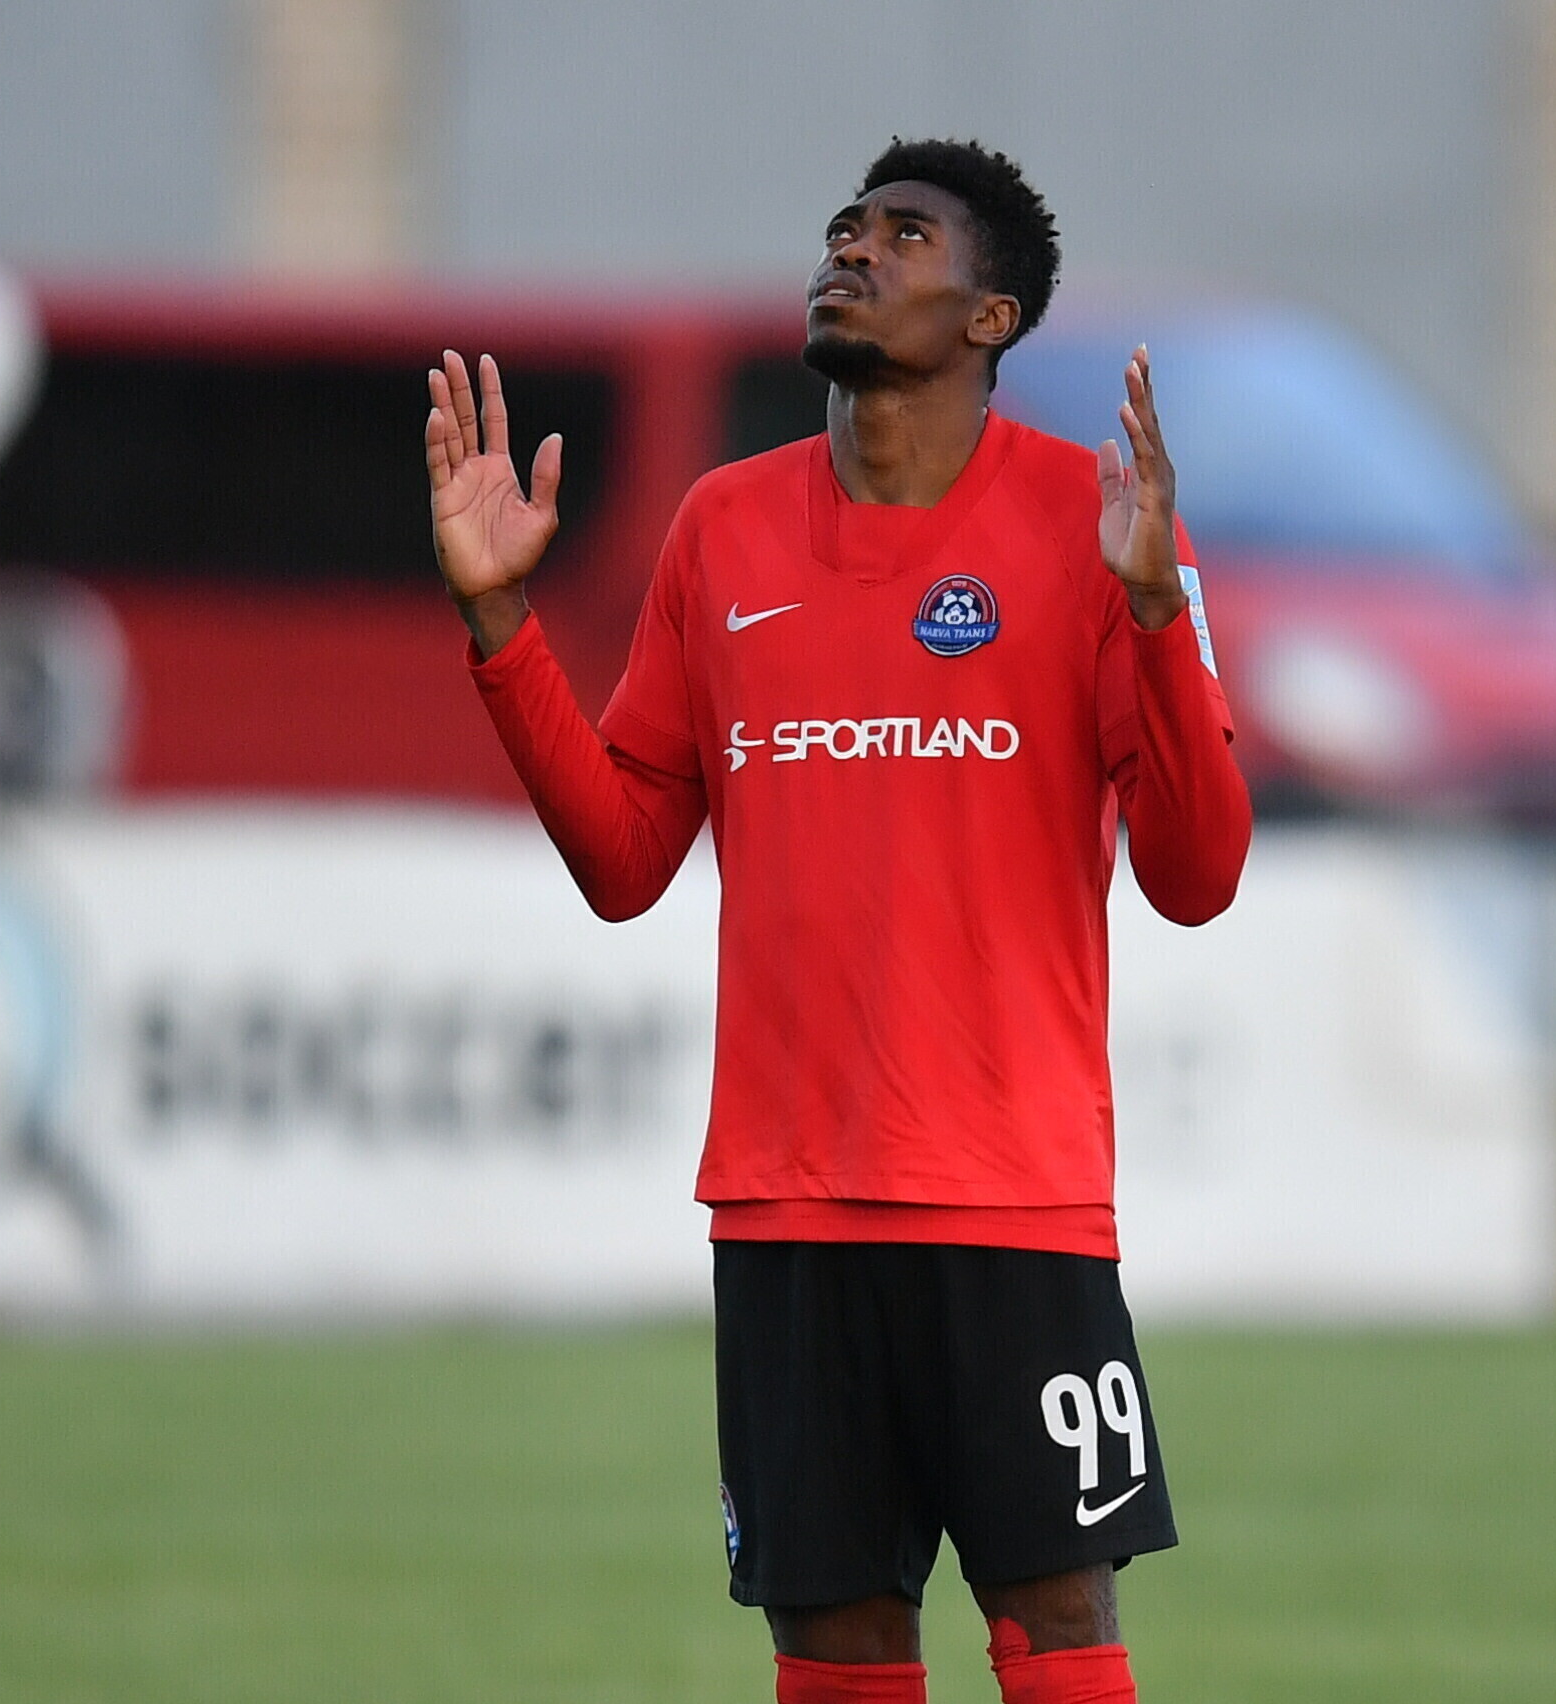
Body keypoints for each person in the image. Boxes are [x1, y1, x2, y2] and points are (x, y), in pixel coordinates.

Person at [425, 137, 1250, 1704]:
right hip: (788, 1217)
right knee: (836, 1651)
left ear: (992, 316)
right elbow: (623, 859)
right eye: (845, 228)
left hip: (1012, 1207)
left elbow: (1198, 877)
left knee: (1059, 1631)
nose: (852, 249)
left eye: (904, 234)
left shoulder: (1096, 523)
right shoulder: (721, 529)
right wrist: (501, 628)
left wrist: (1155, 616)